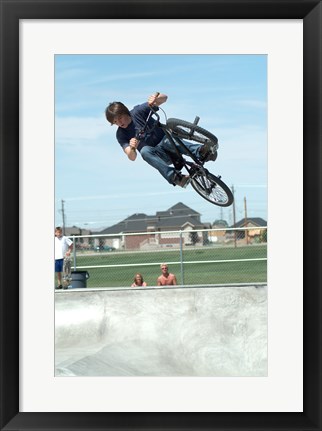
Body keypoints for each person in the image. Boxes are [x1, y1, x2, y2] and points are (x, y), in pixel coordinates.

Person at [105, 93, 217, 188]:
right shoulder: (121, 134)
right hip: (159, 156)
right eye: (115, 122)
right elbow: (132, 157)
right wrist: (132, 149)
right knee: (144, 151)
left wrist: (156, 98)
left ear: (125, 112)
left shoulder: (137, 112)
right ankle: (176, 178)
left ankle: (202, 152)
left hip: (170, 143)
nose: (119, 123)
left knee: (167, 141)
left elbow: (164, 98)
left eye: (119, 118)